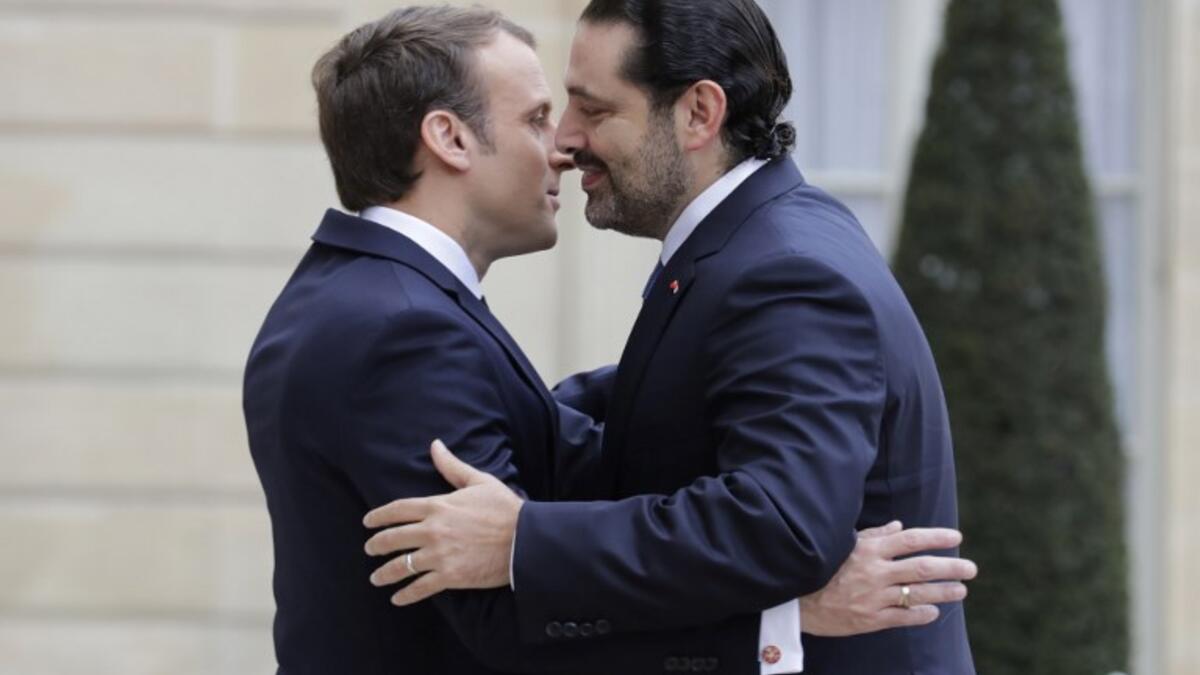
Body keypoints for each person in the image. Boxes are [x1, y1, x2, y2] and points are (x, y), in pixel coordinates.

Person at [244, 5, 974, 675]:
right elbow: (498, 619)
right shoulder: (394, 325)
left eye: (590, 109)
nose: (564, 140)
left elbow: (780, 519)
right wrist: (787, 618)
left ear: (697, 113)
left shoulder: (777, 265)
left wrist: (522, 539)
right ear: (448, 137)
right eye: (539, 117)